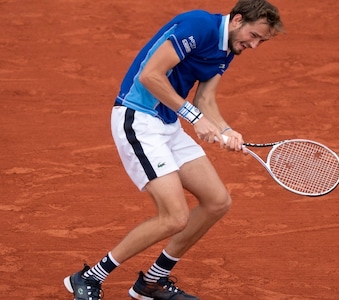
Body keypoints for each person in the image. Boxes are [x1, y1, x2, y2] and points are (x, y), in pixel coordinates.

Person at [63, 0, 283, 299]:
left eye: (261, 41)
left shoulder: (229, 48)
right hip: (138, 118)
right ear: (237, 20)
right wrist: (194, 118)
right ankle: (89, 277)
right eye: (254, 36)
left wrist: (227, 130)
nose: (255, 45)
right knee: (174, 216)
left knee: (217, 201)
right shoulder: (199, 25)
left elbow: (206, 100)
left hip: (167, 124)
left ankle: (152, 281)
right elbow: (150, 76)